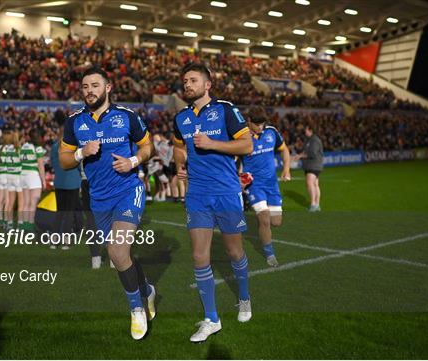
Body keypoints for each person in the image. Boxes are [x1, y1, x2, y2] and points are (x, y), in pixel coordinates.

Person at [59, 67, 156, 340]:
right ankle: (147, 290)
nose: (89, 90)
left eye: (95, 85)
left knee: (115, 250)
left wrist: (134, 161)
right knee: (121, 255)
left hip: (128, 191)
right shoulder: (74, 122)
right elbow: (65, 159)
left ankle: (136, 309)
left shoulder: (127, 117)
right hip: (98, 198)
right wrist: (81, 152)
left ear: (108, 87)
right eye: (85, 86)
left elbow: (148, 147)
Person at [172, 63, 254, 342]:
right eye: (185, 81)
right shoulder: (181, 117)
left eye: (193, 80)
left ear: (208, 85)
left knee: (234, 253)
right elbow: (178, 145)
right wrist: (180, 163)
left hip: (227, 192)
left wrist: (212, 144)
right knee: (198, 256)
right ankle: (211, 319)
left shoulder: (226, 110)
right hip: (196, 194)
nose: (187, 85)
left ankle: (244, 298)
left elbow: (247, 145)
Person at [240, 107, 291, 267]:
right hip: (254, 185)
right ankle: (270, 255)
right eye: (257, 124)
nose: (260, 127)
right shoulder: (241, 138)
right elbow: (231, 161)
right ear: (249, 122)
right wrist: (239, 180)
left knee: (275, 222)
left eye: (262, 124)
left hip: (272, 185)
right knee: (264, 218)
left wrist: (286, 169)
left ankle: (262, 222)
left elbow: (284, 150)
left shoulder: (271, 132)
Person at [50, 123, 83, 251]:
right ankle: (65, 241)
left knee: (60, 212)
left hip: (59, 181)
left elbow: (53, 163)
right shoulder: (74, 147)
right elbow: (79, 164)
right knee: (69, 213)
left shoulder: (54, 147)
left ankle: (54, 241)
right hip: (72, 181)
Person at [293, 123, 323, 212]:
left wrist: (301, 156)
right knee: (315, 184)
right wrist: (299, 154)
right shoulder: (309, 140)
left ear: (310, 130)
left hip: (313, 165)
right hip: (312, 165)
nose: (304, 131)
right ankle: (317, 205)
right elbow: (306, 152)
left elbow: (312, 153)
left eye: (306, 129)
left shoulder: (314, 140)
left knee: (310, 183)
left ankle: (313, 204)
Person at [20, 129, 46, 231]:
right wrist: (43, 180)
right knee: (33, 203)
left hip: (23, 175)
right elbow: (40, 165)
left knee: (26, 202)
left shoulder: (23, 147)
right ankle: (30, 226)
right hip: (33, 176)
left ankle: (24, 225)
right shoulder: (37, 148)